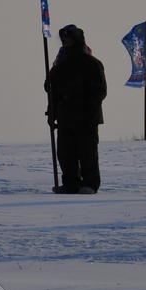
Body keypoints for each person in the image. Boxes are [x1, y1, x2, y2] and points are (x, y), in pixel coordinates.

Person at [46, 24, 106, 194]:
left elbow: (100, 91)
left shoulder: (92, 63)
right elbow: (51, 90)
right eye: (64, 39)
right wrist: (52, 112)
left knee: (87, 153)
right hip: (65, 115)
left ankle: (89, 184)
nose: (65, 42)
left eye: (69, 38)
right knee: (66, 153)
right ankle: (70, 183)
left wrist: (87, 105)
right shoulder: (61, 64)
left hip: (87, 116)